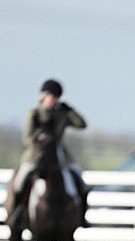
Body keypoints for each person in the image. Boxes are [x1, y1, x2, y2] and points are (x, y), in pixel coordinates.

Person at [8, 79, 90, 229]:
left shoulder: (62, 114)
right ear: (43, 96)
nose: (53, 100)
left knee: (80, 180)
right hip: (35, 157)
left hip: (60, 158)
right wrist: (42, 143)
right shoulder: (34, 113)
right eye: (51, 96)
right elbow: (27, 138)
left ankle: (82, 216)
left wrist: (70, 110)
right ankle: (17, 214)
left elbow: (82, 124)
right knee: (19, 183)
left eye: (56, 97)